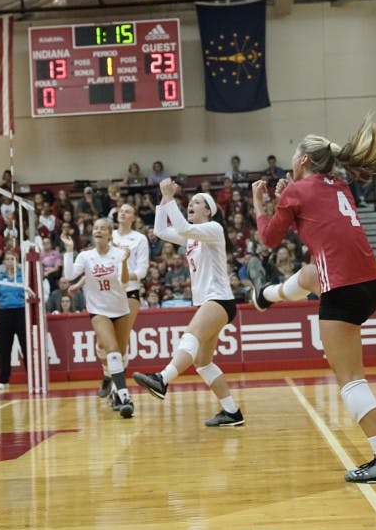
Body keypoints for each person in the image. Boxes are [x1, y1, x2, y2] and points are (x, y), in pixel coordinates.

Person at [247, 117, 376, 484]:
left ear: (302, 158)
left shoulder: (296, 193)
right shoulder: (339, 185)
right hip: (368, 282)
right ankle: (267, 295)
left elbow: (270, 239)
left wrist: (260, 204)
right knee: (307, 274)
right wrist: (287, 196)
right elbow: (317, 217)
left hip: (343, 288)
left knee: (350, 380)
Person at [133, 179, 244, 427]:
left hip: (219, 299)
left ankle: (162, 379)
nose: (191, 204)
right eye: (190, 202)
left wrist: (169, 197)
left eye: (197, 202)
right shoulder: (192, 237)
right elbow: (161, 231)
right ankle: (232, 412)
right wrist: (164, 200)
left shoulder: (214, 228)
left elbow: (181, 227)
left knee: (191, 335)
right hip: (207, 302)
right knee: (203, 363)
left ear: (208, 210)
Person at [62, 219, 134, 418]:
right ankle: (125, 397)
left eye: (102, 228)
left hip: (120, 309)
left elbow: (124, 282)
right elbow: (69, 275)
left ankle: (111, 385)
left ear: (110, 234)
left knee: (119, 353)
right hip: (98, 310)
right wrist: (68, 250)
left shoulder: (120, 254)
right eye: (95, 228)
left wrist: (126, 262)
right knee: (111, 349)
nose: (98, 230)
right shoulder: (86, 256)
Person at [93, 203, 149, 398]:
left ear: (134, 218)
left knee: (121, 343)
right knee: (102, 343)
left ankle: (118, 391)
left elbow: (142, 271)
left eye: (128, 212)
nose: (123, 213)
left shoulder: (140, 239)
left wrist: (124, 277)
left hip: (129, 292)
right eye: (121, 211)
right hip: (107, 294)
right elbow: (95, 261)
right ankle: (108, 374)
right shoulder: (109, 235)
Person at [0, 251, 28, 393]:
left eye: (13, 258)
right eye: (7, 259)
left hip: (21, 312)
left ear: (17, 261)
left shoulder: (23, 277)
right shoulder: (0, 279)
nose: (10, 261)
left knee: (25, 346)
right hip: (4, 314)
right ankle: (3, 379)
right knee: (4, 348)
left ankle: (31, 377)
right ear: (4, 262)